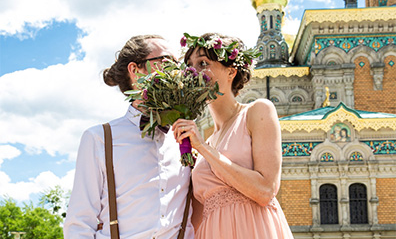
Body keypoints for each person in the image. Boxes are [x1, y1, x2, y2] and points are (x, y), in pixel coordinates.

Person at [64, 35, 194, 239]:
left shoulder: (186, 140)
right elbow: (79, 223)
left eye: (178, 65)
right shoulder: (99, 138)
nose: (177, 72)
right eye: (167, 62)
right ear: (135, 71)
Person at [173, 33, 294, 238]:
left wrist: (203, 148)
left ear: (231, 72)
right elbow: (196, 217)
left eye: (203, 63)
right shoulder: (203, 144)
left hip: (255, 230)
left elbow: (265, 191)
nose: (194, 71)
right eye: (189, 65)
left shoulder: (257, 111)